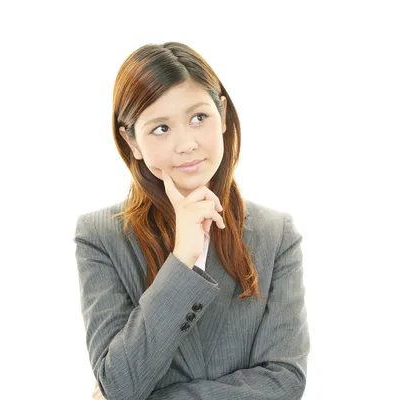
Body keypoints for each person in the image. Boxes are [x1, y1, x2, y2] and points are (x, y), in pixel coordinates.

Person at [73, 41, 310, 400]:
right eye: (160, 128)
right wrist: (182, 258)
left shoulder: (276, 235)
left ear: (224, 116)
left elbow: (285, 380)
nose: (186, 144)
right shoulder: (101, 237)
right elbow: (119, 385)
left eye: (199, 118)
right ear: (132, 141)